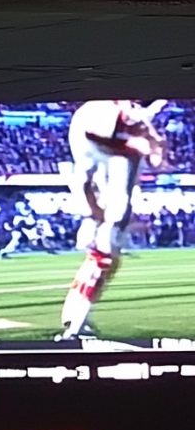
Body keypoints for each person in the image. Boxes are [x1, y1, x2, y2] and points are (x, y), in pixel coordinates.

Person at [58, 100, 167, 341]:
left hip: (108, 207)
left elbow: (157, 158)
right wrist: (93, 209)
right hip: (105, 210)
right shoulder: (103, 118)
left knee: (106, 263)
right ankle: (74, 327)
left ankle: (74, 316)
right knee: (102, 261)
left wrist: (154, 142)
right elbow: (94, 141)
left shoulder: (122, 124)